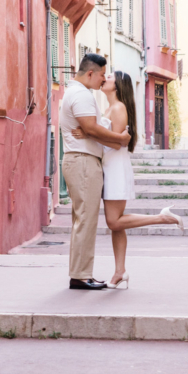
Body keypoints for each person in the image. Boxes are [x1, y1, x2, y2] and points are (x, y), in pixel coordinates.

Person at [81, 70, 182, 288]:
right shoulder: (110, 107)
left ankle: (161, 218)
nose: (103, 78)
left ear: (116, 86)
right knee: (117, 225)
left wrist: (89, 133)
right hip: (110, 167)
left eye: (108, 78)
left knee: (114, 221)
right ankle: (120, 272)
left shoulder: (118, 108)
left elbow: (116, 142)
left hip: (115, 168)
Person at [60, 53, 120, 290]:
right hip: (83, 162)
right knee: (86, 220)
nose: (103, 80)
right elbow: (90, 128)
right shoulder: (81, 94)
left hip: (81, 161)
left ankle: (80, 273)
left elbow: (92, 128)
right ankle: (81, 275)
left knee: (82, 219)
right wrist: (121, 138)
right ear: (90, 73)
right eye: (102, 75)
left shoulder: (74, 93)